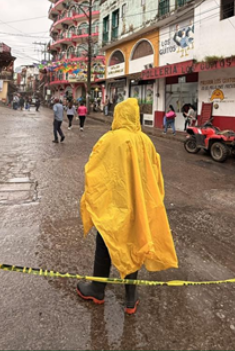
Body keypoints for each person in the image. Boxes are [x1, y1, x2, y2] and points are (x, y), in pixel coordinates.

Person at [76, 98, 178, 315]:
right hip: (139, 206)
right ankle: (131, 298)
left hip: (113, 206)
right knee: (135, 243)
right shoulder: (146, 142)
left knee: (104, 243)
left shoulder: (109, 140)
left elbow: (93, 170)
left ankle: (97, 288)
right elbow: (155, 175)